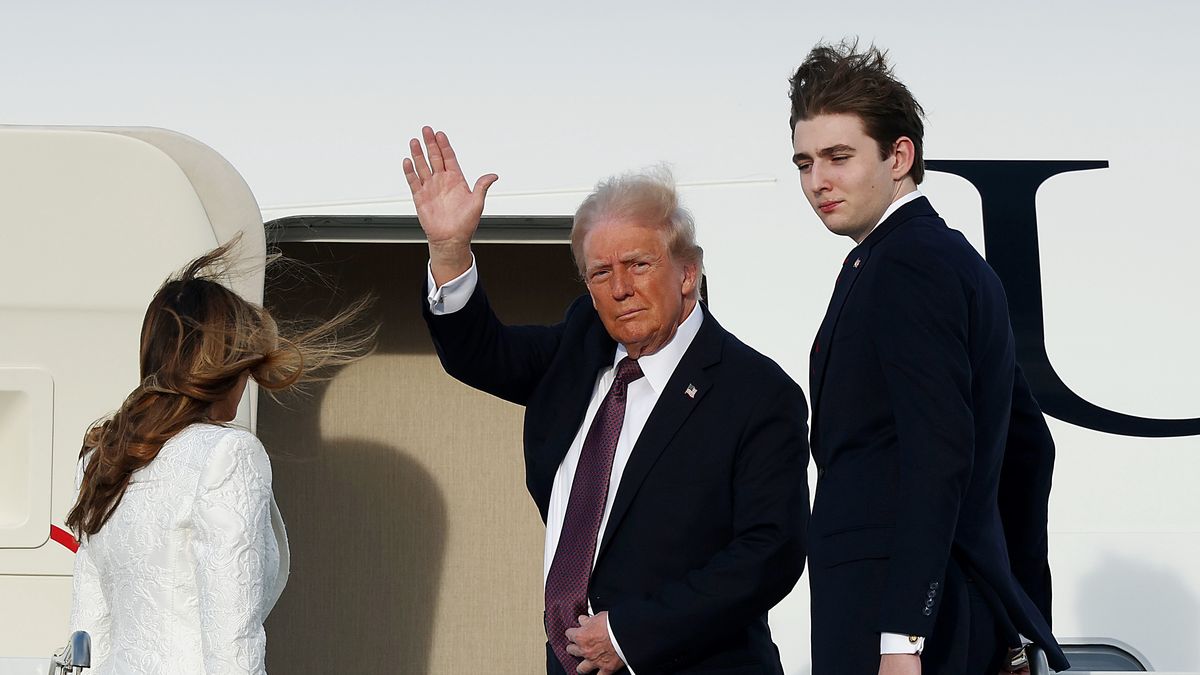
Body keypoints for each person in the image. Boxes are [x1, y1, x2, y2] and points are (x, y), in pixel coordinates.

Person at [407, 126, 809, 674]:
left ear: (687, 273)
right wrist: (450, 249)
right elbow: (481, 354)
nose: (620, 288)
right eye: (601, 272)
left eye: (639, 265)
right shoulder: (582, 344)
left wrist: (629, 634)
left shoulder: (757, 393)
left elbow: (770, 554)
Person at [787, 42, 1069, 675]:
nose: (816, 182)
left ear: (899, 156)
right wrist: (1013, 610)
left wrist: (902, 636)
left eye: (839, 157)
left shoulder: (908, 263)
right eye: (804, 163)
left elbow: (940, 450)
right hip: (940, 612)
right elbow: (1030, 447)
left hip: (895, 622)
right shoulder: (940, 258)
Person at [65, 241, 373, 674]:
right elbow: (233, 637)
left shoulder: (105, 456)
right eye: (246, 367)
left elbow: (85, 636)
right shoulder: (228, 454)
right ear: (224, 366)